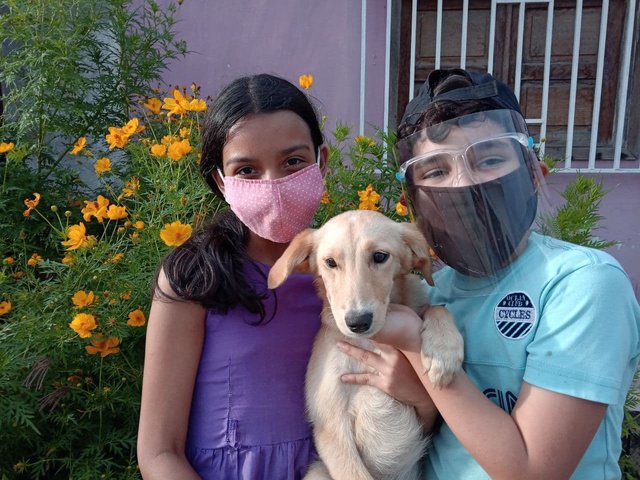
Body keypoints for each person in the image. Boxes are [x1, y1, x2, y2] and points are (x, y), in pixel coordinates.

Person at [339, 68, 640, 479]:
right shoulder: (431, 292)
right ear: (414, 203)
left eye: (491, 159)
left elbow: (533, 471)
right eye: (435, 171)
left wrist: (415, 347)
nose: (465, 184)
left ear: (535, 173)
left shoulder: (581, 284)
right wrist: (420, 398)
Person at [137, 73, 329, 480]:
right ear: (222, 182)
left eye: (293, 161)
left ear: (321, 162)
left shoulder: (351, 272)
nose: (273, 184)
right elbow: (158, 452)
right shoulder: (193, 279)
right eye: (247, 170)